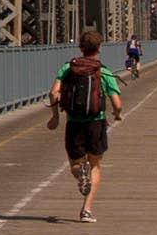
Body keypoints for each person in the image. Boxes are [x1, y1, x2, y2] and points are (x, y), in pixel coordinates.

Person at [51, 27, 120, 221]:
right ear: (99, 48)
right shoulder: (102, 71)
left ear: (81, 47)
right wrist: (117, 114)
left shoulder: (68, 68)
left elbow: (53, 93)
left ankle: (79, 172)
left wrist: (55, 116)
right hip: (96, 123)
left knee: (75, 163)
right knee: (95, 165)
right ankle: (86, 210)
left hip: (74, 123)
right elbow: (117, 103)